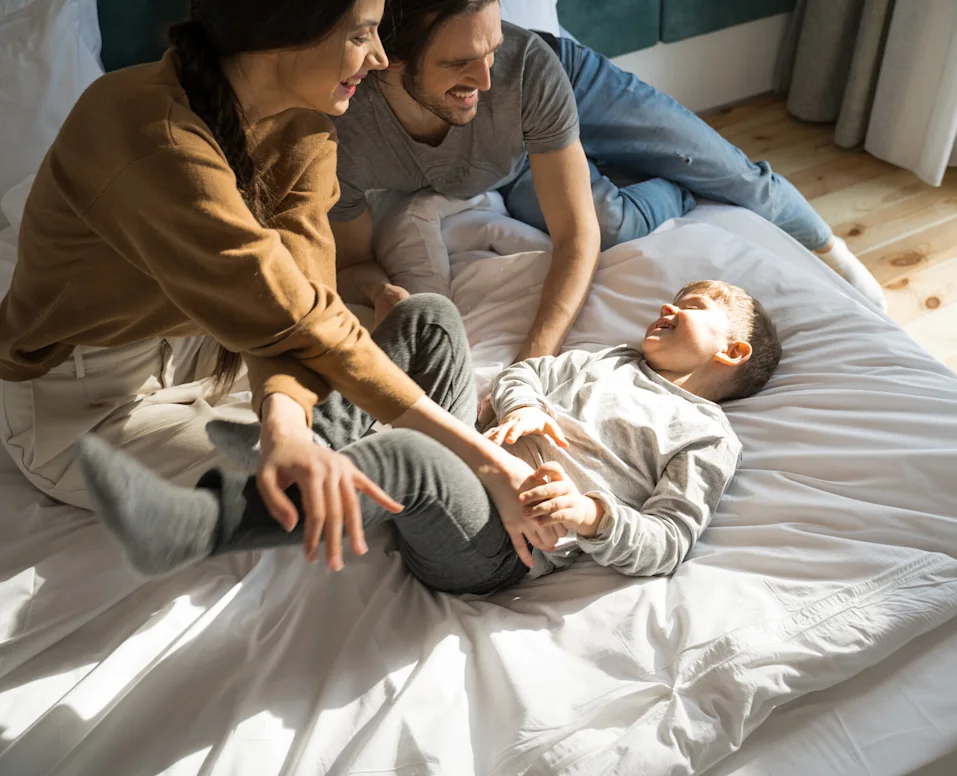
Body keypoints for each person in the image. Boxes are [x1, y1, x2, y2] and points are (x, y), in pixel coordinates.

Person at [0, 0, 559, 574]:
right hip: (90, 406)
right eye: (363, 33)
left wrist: (285, 424)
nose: (381, 57)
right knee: (380, 461)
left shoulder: (304, 124)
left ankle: (470, 513)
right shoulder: (146, 132)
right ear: (289, 29)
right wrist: (485, 458)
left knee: (428, 318)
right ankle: (478, 545)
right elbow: (291, 317)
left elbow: (298, 300)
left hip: (211, 343)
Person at [74, 281, 782, 593]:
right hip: (473, 449)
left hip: (498, 545)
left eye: (691, 305)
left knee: (409, 455)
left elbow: (668, 540)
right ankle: (306, 447)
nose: (667, 305)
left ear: (732, 353)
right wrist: (527, 404)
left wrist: (593, 514)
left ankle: (200, 524)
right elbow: (524, 373)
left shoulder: (706, 434)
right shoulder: (608, 359)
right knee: (429, 313)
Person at [330, 0, 887, 329]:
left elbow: (575, 238)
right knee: (615, 226)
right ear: (387, 59)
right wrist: (384, 295)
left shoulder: (521, 70)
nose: (484, 78)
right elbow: (353, 263)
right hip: (512, 155)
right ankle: (663, 184)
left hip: (566, 85)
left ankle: (833, 253)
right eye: (459, 63)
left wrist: (533, 360)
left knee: (734, 177)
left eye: (492, 49)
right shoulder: (345, 137)